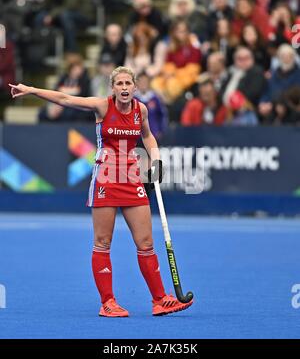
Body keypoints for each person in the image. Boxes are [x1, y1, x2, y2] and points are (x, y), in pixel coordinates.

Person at [9, 66, 193, 318]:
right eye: (119, 83)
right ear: (113, 87)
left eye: (129, 83)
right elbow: (65, 99)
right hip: (106, 178)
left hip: (131, 178)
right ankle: (108, 302)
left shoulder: (141, 110)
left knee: (146, 242)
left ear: (135, 87)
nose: (125, 87)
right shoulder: (102, 107)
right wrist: (31, 90)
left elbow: (148, 137)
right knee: (103, 242)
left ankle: (160, 300)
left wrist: (156, 162)